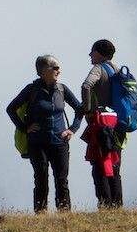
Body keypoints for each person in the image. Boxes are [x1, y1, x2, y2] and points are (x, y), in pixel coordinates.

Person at [5, 54, 82, 213]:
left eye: (59, 68)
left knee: (62, 180)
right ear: (43, 70)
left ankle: (64, 213)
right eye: (55, 68)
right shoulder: (32, 90)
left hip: (60, 142)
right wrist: (24, 128)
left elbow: (80, 110)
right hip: (37, 143)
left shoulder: (62, 89)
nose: (59, 71)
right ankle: (41, 213)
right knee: (41, 179)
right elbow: (10, 109)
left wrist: (72, 130)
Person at [80, 38, 125, 210]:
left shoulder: (98, 69)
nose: (90, 54)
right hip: (118, 125)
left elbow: (86, 86)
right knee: (114, 163)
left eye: (92, 51)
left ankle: (105, 205)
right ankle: (117, 205)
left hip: (102, 123)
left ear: (99, 53)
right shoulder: (118, 71)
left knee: (100, 164)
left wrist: (87, 109)